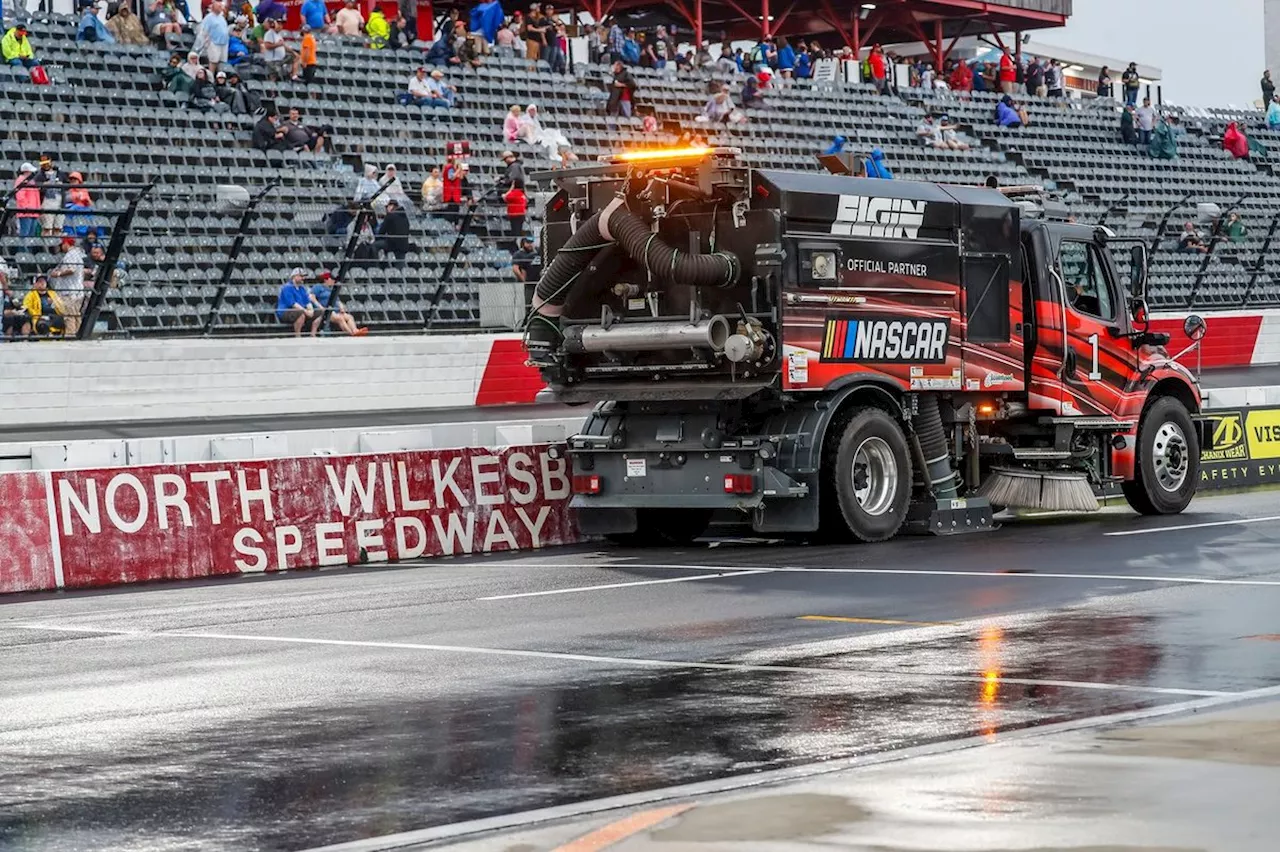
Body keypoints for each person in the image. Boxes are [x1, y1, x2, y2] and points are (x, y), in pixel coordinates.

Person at [310, 271, 367, 336]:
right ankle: (352, 334)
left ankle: (355, 330)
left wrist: (341, 307)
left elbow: (338, 301)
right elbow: (312, 297)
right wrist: (320, 306)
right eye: (332, 279)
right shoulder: (318, 287)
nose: (333, 281)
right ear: (326, 280)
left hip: (336, 310)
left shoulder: (332, 289)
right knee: (340, 319)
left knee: (349, 317)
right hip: (327, 310)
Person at [277, 267, 321, 335]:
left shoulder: (302, 288)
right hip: (285, 311)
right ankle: (298, 335)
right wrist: (306, 311)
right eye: (301, 276)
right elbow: (293, 304)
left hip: (301, 310)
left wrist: (311, 310)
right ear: (295, 276)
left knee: (321, 312)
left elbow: (307, 302)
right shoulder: (287, 287)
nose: (303, 278)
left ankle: (313, 334)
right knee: (301, 313)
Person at [195, 1, 229, 74]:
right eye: (219, 7)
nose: (221, 8)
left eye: (221, 7)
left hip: (224, 44)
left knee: (222, 63)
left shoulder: (222, 18)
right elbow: (203, 31)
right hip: (214, 43)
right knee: (213, 61)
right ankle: (211, 77)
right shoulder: (209, 18)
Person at [13, 163, 40, 242]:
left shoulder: (31, 181)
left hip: (34, 211)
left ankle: (29, 253)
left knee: (31, 236)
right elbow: (20, 196)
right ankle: (23, 253)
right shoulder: (20, 180)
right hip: (26, 212)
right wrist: (26, 207)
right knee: (25, 234)